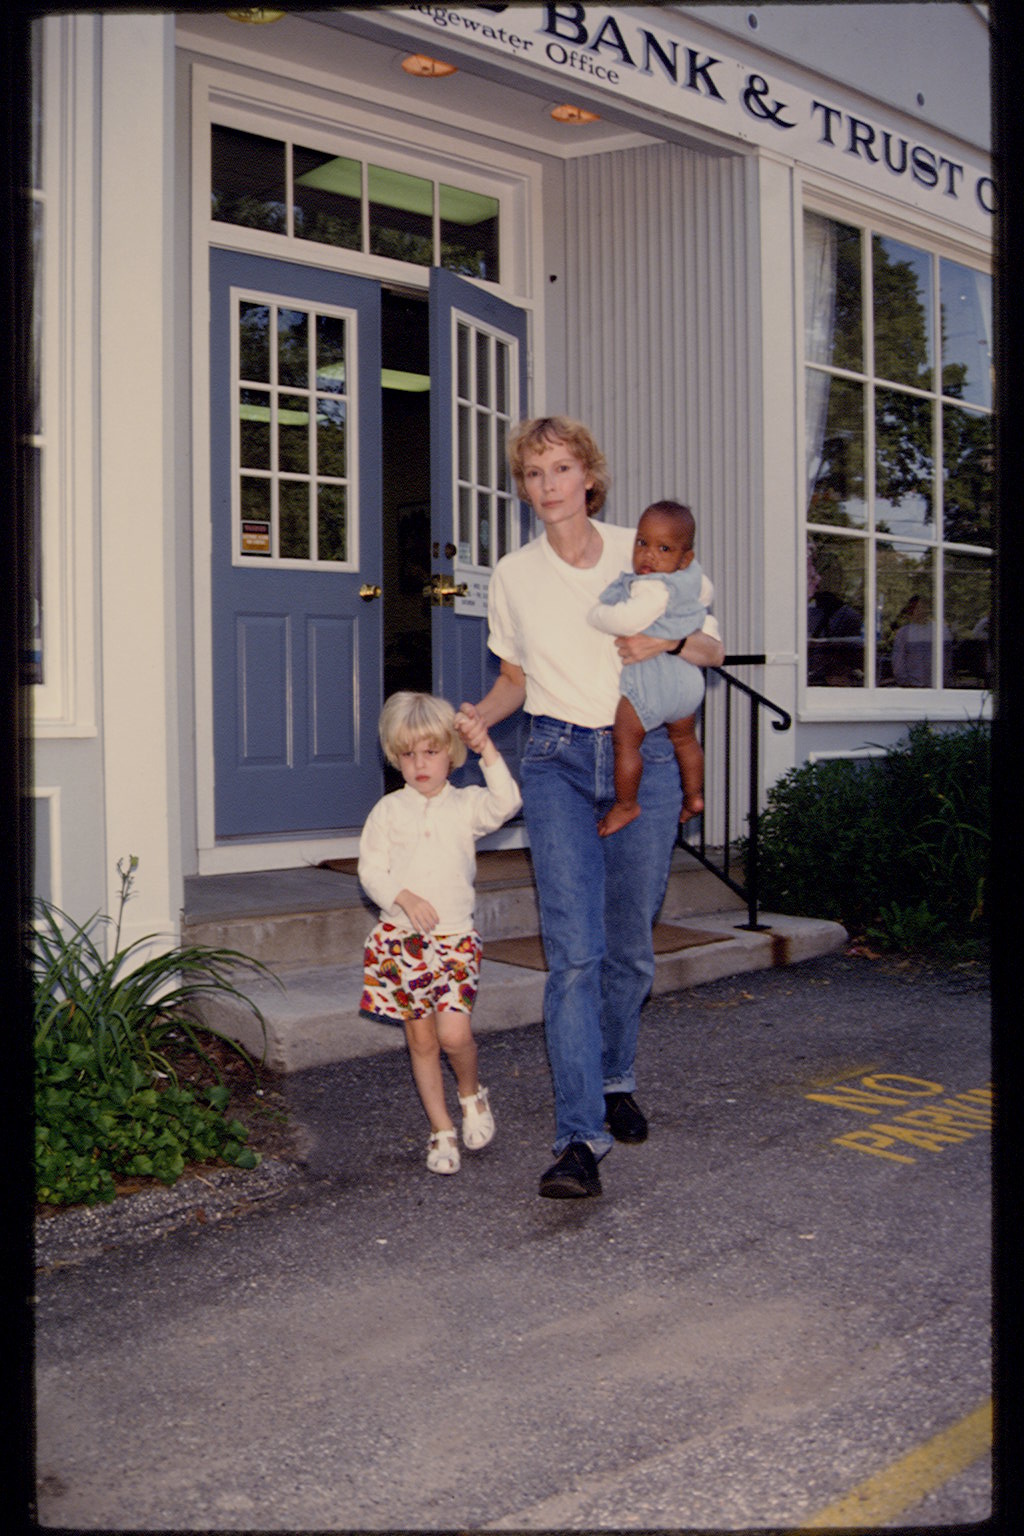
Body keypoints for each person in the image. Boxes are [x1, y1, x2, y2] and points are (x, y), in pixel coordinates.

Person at [455, 416, 723, 1199]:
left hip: (649, 758)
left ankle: (615, 1077)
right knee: (573, 951)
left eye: (562, 469)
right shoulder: (514, 573)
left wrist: (666, 647)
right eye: (534, 473)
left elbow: (710, 647)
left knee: (629, 941)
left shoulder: (645, 548)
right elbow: (515, 678)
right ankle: (579, 1136)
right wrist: (480, 714)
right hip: (556, 760)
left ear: (589, 477)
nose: (548, 486)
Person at [358, 691, 521, 1176]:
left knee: (453, 1034)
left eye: (430, 752)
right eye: (408, 754)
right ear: (395, 758)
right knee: (422, 1042)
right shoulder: (388, 812)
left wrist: (487, 748)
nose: (419, 764)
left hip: (453, 941)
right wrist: (402, 897)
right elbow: (372, 871)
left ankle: (471, 1093)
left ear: (451, 753)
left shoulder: (466, 806)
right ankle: (441, 1128)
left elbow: (507, 802)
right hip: (401, 942)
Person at [587, 500, 708, 836]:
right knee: (685, 739)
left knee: (626, 742)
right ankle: (694, 795)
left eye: (664, 548)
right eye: (642, 543)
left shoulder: (653, 588)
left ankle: (626, 804)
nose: (649, 556)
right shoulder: (692, 580)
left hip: (654, 681)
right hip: (686, 679)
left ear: (684, 558)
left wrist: (596, 614)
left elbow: (626, 619)